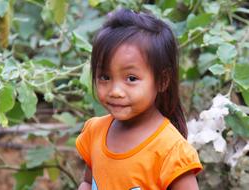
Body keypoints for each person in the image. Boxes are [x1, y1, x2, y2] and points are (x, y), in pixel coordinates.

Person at [76, 8, 203, 190]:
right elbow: (88, 182)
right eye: (105, 77)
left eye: (131, 79)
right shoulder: (95, 132)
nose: (115, 91)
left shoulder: (170, 151)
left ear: (162, 80)